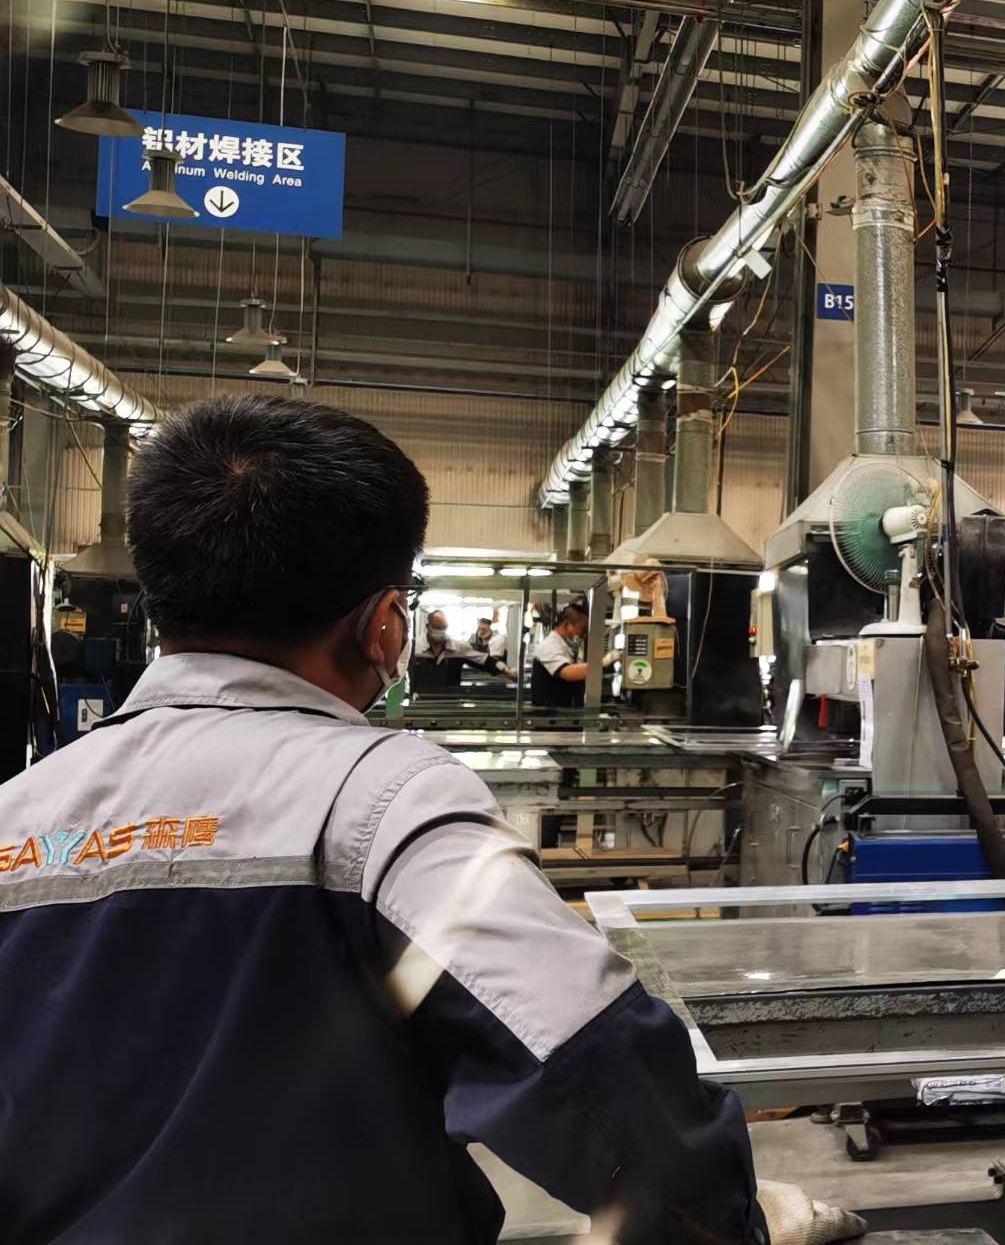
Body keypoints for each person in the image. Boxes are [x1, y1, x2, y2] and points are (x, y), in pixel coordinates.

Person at [0, 397, 858, 1243]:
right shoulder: (381, 800)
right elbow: (601, 1075)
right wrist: (729, 1220)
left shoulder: (17, 812)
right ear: (383, 626)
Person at [529, 600, 590, 708]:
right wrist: (602, 663)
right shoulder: (549, 646)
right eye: (582, 630)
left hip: (561, 712)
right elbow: (568, 673)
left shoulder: (562, 647)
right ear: (567, 626)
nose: (582, 635)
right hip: (549, 715)